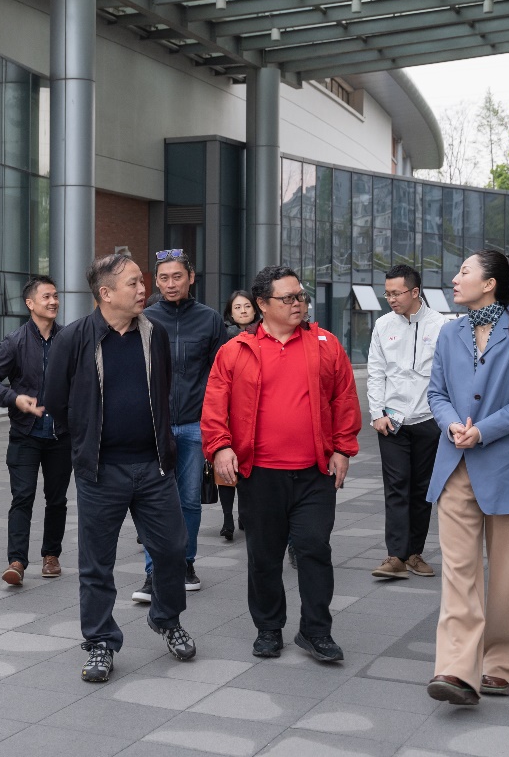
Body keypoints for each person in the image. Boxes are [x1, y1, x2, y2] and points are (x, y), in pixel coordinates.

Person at [44, 253, 195, 683]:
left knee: (172, 550)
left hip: (154, 467)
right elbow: (54, 400)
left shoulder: (154, 334)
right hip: (101, 471)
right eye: (133, 283)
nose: (143, 289)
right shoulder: (74, 338)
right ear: (106, 293)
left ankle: (166, 618)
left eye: (142, 281)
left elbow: (162, 390)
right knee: (97, 563)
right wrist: (86, 438)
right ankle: (100, 642)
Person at [202, 265, 360, 664]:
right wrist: (220, 448)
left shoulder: (325, 344)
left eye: (300, 296)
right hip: (260, 474)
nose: (298, 303)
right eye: (288, 298)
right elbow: (215, 405)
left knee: (314, 548)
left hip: (315, 473)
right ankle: (269, 628)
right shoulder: (235, 350)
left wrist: (343, 449)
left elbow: (344, 398)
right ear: (262, 304)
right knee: (264, 555)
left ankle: (316, 631)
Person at [425, 250, 509, 706]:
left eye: (465, 271)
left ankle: (502, 665)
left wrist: (482, 431)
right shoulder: (450, 332)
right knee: (459, 573)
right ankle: (457, 670)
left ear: (490, 283)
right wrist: (453, 424)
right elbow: (436, 392)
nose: (455, 279)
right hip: (455, 467)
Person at [132, 250, 227, 602]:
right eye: (163, 278)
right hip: (151, 427)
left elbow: (221, 378)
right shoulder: (143, 319)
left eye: (177, 277)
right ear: (155, 282)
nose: (170, 284)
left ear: (191, 278)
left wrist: (217, 426)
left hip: (193, 425)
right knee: (151, 501)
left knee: (188, 500)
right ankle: (154, 571)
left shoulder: (210, 320)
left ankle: (185, 563)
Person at [0, 276, 72, 586]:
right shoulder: (15, 341)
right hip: (25, 435)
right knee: (22, 497)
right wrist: (14, 398)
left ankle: (51, 555)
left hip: (61, 436)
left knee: (57, 499)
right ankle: (17, 561)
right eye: (46, 297)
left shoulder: (68, 339)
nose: (53, 301)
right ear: (30, 303)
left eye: (55, 296)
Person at [367, 264, 447, 581]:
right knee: (396, 487)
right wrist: (377, 413)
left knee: (422, 489)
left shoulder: (441, 325)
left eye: (396, 293)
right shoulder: (383, 325)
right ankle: (396, 555)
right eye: (387, 293)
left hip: (429, 419)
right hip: (392, 421)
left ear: (415, 291)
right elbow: (375, 372)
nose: (391, 299)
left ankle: (414, 553)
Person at [218, 290, 259, 540]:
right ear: (230, 312)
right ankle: (227, 519)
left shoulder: (264, 334)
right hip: (228, 409)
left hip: (252, 408)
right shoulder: (222, 336)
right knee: (225, 467)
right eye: (237, 307)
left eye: (247, 306)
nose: (243, 311)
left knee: (247, 467)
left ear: (255, 308)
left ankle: (244, 514)